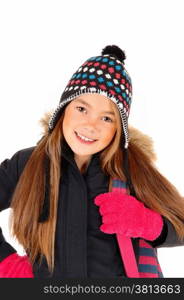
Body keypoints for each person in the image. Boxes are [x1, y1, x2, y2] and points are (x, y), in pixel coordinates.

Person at [0, 45, 184, 278]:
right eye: (81, 108)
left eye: (106, 118)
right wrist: (6, 264)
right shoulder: (27, 164)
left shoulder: (132, 170)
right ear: (64, 110)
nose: (91, 125)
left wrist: (149, 223)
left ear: (119, 129)